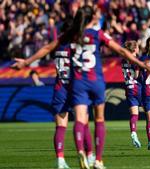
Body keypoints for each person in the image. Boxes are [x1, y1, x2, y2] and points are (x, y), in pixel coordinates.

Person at [63, 6, 150, 169]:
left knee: (80, 119)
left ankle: (83, 152)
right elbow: (120, 49)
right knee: (99, 119)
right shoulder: (98, 34)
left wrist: (27, 62)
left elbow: (49, 47)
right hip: (96, 80)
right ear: (92, 18)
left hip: (78, 81)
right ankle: (98, 160)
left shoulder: (71, 34)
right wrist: (142, 64)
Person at [11, 17, 95, 169]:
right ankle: (89, 155)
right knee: (83, 123)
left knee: (60, 127)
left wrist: (26, 62)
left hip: (60, 88)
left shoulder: (59, 45)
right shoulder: (78, 46)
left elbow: (44, 51)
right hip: (76, 88)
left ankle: (60, 160)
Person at [121, 40, 142, 148]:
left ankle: (134, 133)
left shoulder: (123, 60)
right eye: (137, 47)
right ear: (134, 49)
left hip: (128, 89)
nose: (139, 49)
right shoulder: (136, 60)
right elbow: (137, 75)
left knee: (134, 115)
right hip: (137, 88)